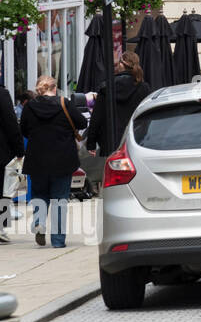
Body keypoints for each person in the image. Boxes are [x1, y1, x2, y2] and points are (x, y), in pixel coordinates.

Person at [21, 76, 81, 248]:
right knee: (59, 199)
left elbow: (23, 129)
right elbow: (81, 122)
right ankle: (58, 241)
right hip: (62, 159)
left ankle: (39, 222)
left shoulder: (30, 107)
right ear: (54, 88)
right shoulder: (65, 103)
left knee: (39, 194)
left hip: (37, 159)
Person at [84, 52, 151, 159]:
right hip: (136, 138)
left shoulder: (107, 87)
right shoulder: (144, 88)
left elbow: (97, 117)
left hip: (110, 140)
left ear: (121, 64)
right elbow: (147, 114)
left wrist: (91, 143)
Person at [0, 82, 22, 244]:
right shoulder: (2, 94)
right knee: (4, 190)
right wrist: (19, 150)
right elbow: (11, 124)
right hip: (1, 153)